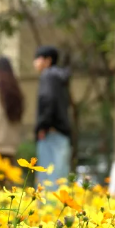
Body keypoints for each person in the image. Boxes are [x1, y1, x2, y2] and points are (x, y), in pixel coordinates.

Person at [33, 46, 71, 188]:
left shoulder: (48, 76)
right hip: (62, 133)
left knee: (47, 176)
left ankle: (48, 209)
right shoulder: (60, 79)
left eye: (38, 58)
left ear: (48, 61)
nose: (35, 63)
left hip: (50, 133)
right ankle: (56, 207)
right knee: (60, 176)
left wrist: (42, 126)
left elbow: (47, 100)